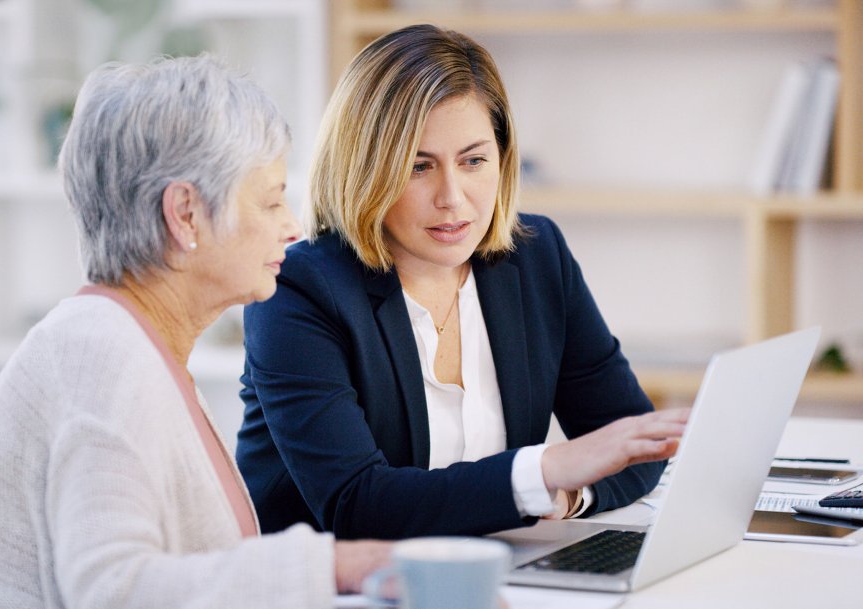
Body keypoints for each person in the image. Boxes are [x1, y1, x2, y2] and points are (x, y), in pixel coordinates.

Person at [0, 55, 388, 609]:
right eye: (271, 200)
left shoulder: (125, 343)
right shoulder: (100, 356)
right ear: (185, 214)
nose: (292, 226)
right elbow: (114, 592)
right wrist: (335, 566)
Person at [236, 24, 689, 540]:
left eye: (473, 161)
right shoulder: (298, 290)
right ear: (364, 170)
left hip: (496, 566)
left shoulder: (538, 257)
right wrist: (542, 472)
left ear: (502, 159)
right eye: (418, 166)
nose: (452, 197)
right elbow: (357, 505)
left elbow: (634, 444)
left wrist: (567, 496)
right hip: (337, 578)